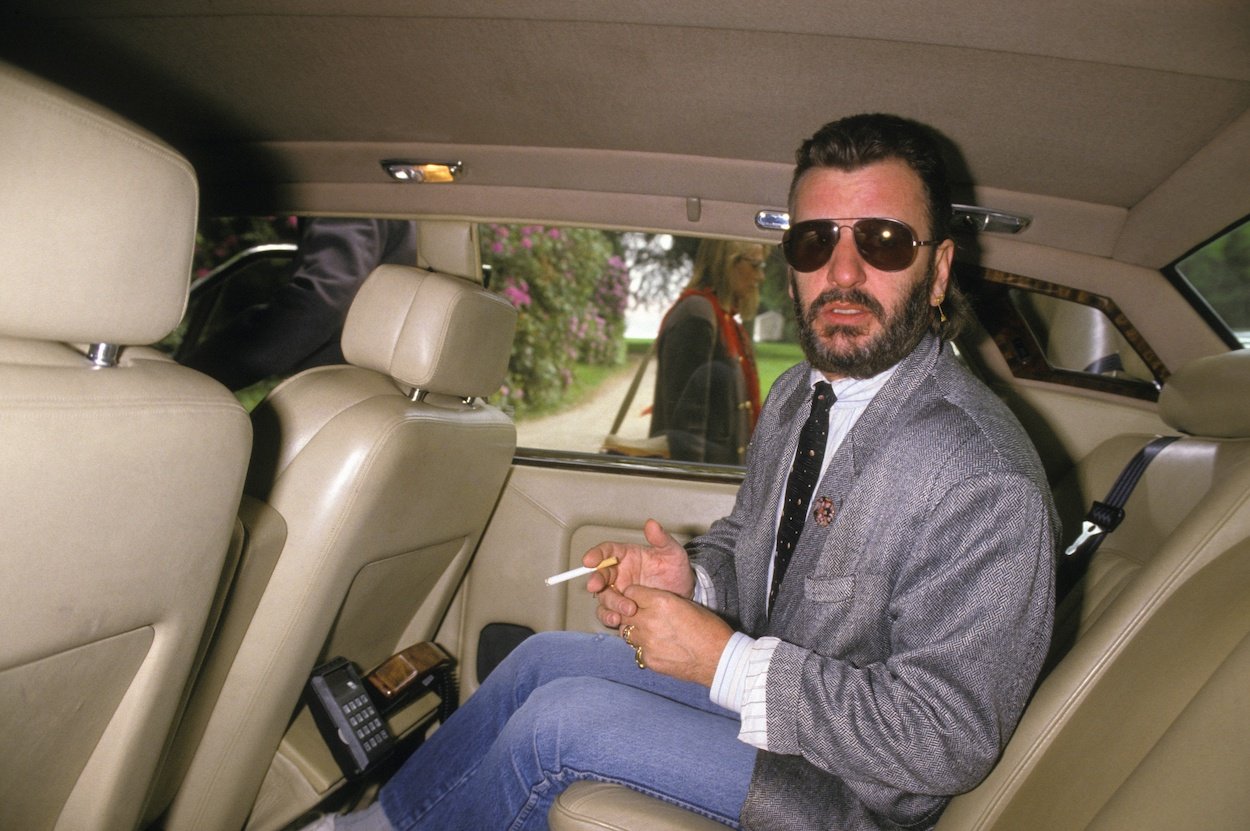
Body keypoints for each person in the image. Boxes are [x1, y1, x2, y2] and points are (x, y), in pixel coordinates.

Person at [312, 113, 1057, 831]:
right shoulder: (805, 392)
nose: (844, 270)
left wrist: (725, 661)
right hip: (777, 725)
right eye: (814, 240)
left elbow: (946, 734)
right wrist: (690, 582)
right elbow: (748, 545)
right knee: (541, 659)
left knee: (559, 725)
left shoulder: (982, 476)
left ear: (938, 270)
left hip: (848, 796)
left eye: (885, 241)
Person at [181, 217, 416, 390]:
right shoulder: (401, 198)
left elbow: (317, 307)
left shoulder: (348, 196)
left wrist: (189, 380)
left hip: (336, 387)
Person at [648, 238, 765, 464]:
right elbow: (686, 431)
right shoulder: (698, 316)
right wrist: (694, 492)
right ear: (728, 262)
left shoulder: (721, 317)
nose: (760, 276)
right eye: (755, 265)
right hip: (705, 487)